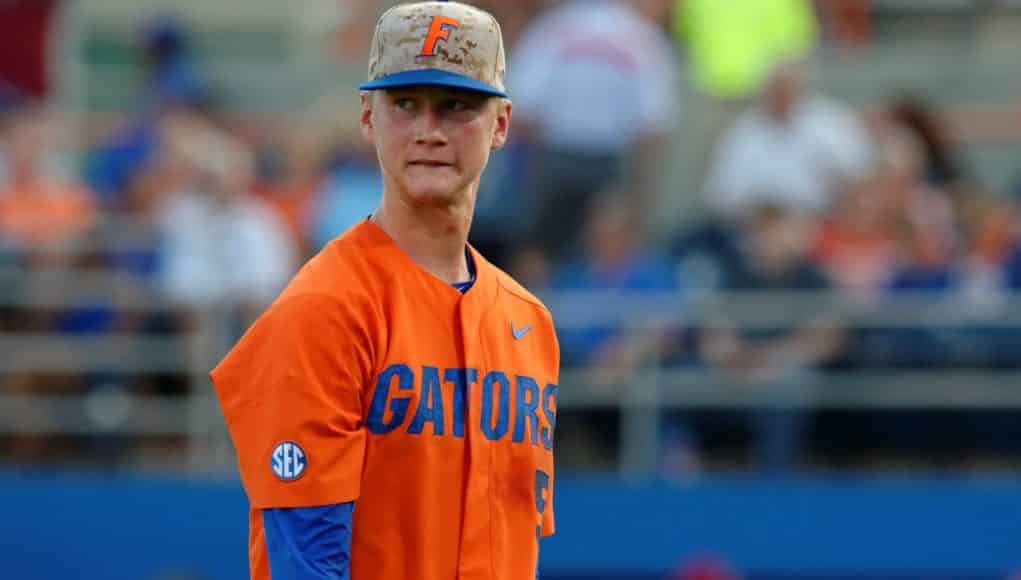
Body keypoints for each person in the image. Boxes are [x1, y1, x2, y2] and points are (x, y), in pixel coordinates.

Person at [210, 3, 560, 580]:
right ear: (368, 117)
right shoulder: (323, 309)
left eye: (456, 106)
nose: (429, 130)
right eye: (405, 104)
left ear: (500, 125)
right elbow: (305, 561)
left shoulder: (528, 323)